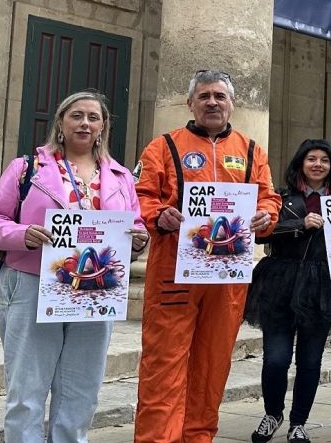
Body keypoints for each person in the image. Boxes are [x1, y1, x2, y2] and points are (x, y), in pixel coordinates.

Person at [0, 90, 148, 441]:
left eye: (93, 117)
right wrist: (22, 234)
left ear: (102, 127)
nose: (85, 123)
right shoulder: (27, 168)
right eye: (76, 115)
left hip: (97, 290)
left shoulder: (120, 177)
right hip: (32, 283)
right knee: (26, 390)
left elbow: (136, 224)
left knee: (81, 391)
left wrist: (138, 240)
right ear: (60, 122)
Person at [133, 70, 281, 443]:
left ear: (231, 104)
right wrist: (157, 216)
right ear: (191, 103)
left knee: (212, 367)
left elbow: (268, 197)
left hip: (227, 279)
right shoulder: (162, 147)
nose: (212, 102)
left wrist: (266, 216)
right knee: (163, 366)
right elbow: (140, 197)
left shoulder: (251, 151)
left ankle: (199, 437)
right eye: (204, 96)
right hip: (174, 274)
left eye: (219, 96)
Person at [244, 139, 331, 443]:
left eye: (324, 160)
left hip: (322, 285)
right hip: (280, 281)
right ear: (300, 163)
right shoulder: (279, 198)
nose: (317, 165)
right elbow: (261, 234)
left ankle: (298, 423)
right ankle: (272, 414)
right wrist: (300, 223)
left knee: (310, 360)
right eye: (311, 159)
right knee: (275, 358)